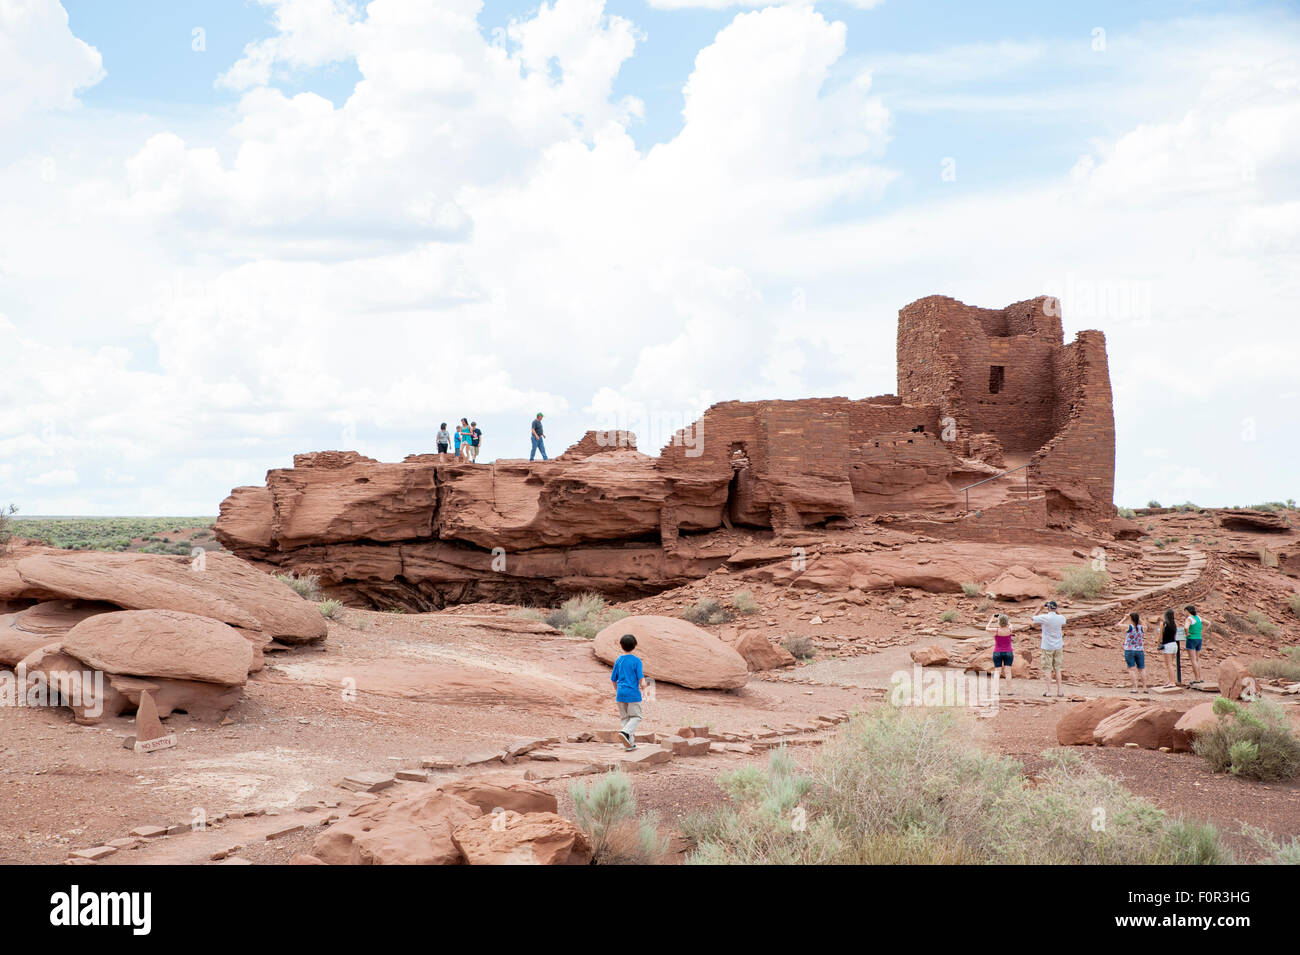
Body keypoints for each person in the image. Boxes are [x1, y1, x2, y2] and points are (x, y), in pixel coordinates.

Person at [609, 633, 646, 750]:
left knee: (625, 718)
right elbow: (641, 679)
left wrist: (617, 690)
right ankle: (625, 732)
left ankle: (629, 744)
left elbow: (613, 679)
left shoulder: (619, 660)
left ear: (621, 645)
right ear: (635, 645)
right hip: (633, 694)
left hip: (620, 694)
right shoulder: (636, 661)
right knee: (636, 717)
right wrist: (644, 688)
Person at [1032, 600, 1067, 698]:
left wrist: (1039, 608)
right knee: (1057, 668)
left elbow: (1033, 618)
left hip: (1047, 646)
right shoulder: (1060, 618)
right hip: (1058, 646)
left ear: (1048, 608)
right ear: (1055, 608)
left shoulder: (1045, 617)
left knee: (1047, 669)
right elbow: (1064, 618)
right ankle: (1060, 691)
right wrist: (1057, 610)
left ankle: (1049, 691)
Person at [984, 612, 1015, 695]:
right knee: (1008, 672)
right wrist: (1005, 619)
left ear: (999, 622)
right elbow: (1010, 624)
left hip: (997, 652)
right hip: (1008, 652)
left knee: (997, 672)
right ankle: (1009, 691)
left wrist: (992, 619)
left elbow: (987, 628)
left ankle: (996, 691)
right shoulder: (1010, 629)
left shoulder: (997, 630)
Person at [1118, 611, 1148, 694]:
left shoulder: (1129, 627)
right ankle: (1145, 687)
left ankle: (1135, 688)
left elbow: (1119, 624)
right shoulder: (1141, 628)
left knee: (1131, 669)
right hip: (1140, 650)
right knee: (1141, 669)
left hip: (1129, 649)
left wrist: (1125, 618)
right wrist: (1139, 619)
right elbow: (1146, 626)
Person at [1158, 608, 1180, 687]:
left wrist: (1158, 643)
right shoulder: (1174, 624)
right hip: (1174, 644)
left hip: (1167, 645)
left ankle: (1172, 682)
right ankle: (1171, 680)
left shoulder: (1163, 624)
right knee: (1171, 664)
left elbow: (1160, 635)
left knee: (1169, 665)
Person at [1184, 605, 1205, 685]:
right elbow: (1208, 623)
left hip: (1191, 639)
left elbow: (1186, 627)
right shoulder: (1198, 618)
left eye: (1184, 611)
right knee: (1197, 659)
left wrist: (1187, 634)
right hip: (1199, 638)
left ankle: (1196, 678)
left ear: (1187, 611)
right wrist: (1202, 632)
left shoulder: (1189, 619)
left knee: (1193, 660)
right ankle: (1199, 677)